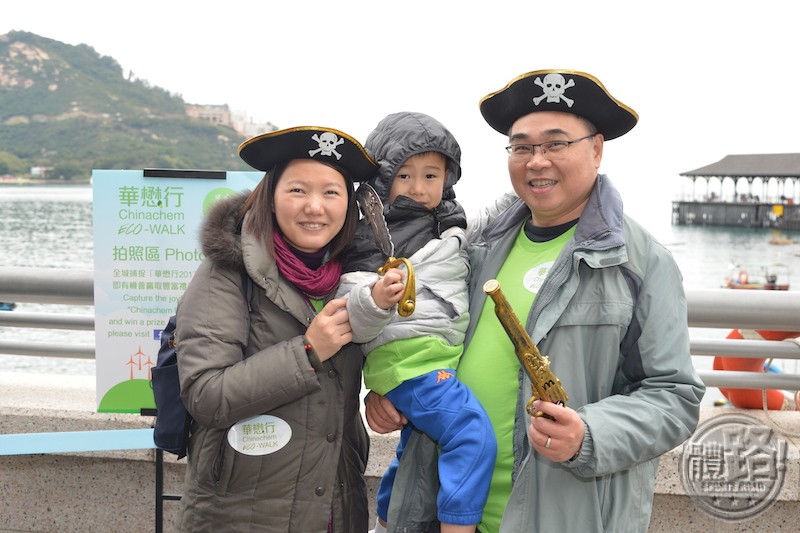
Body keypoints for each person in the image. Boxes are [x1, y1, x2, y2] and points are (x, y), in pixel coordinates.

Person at [365, 70, 706, 532]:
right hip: (442, 511)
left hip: (565, 516)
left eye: (556, 144)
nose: (536, 161)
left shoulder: (640, 262)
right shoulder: (473, 246)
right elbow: (424, 330)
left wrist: (590, 434)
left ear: (597, 148)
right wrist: (390, 391)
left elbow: (674, 396)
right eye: (522, 147)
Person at [174, 126, 377, 532]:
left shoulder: (354, 277)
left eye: (331, 193)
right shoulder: (227, 271)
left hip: (335, 507)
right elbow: (205, 394)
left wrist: (389, 394)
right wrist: (306, 352)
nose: (315, 207)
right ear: (271, 196)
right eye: (298, 190)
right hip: (242, 515)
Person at [337, 111, 497, 533]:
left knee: (412, 446)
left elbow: (485, 229)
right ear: (382, 177)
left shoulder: (447, 221)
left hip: (432, 354)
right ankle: (458, 526)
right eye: (404, 176)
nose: (418, 188)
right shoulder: (368, 232)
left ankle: (388, 519)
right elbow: (344, 306)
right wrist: (374, 300)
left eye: (431, 176)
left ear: (448, 179)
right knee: (470, 433)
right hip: (409, 359)